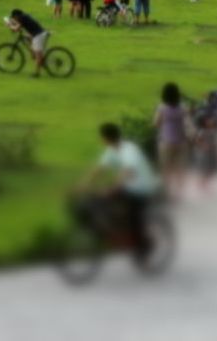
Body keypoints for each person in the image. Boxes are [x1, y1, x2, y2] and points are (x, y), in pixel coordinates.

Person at [80, 123, 159, 265]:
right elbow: (99, 168)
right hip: (128, 187)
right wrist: (84, 184)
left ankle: (142, 248)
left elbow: (128, 171)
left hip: (142, 188)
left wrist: (114, 188)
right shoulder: (111, 149)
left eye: (102, 138)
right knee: (100, 202)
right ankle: (116, 236)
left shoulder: (129, 150)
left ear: (106, 138)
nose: (101, 140)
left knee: (134, 218)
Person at [153, 83, 189, 200]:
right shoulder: (183, 107)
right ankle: (179, 192)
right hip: (181, 141)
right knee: (180, 168)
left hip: (166, 142)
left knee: (166, 168)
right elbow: (187, 123)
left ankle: (167, 192)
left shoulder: (161, 108)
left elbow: (156, 124)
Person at [7, 8, 49, 76]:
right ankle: (35, 56)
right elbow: (18, 24)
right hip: (37, 33)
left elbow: (16, 29)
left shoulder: (22, 18)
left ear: (17, 16)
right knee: (27, 38)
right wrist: (11, 23)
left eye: (14, 17)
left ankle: (37, 73)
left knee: (38, 55)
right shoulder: (24, 16)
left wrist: (9, 26)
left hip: (38, 35)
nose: (14, 18)